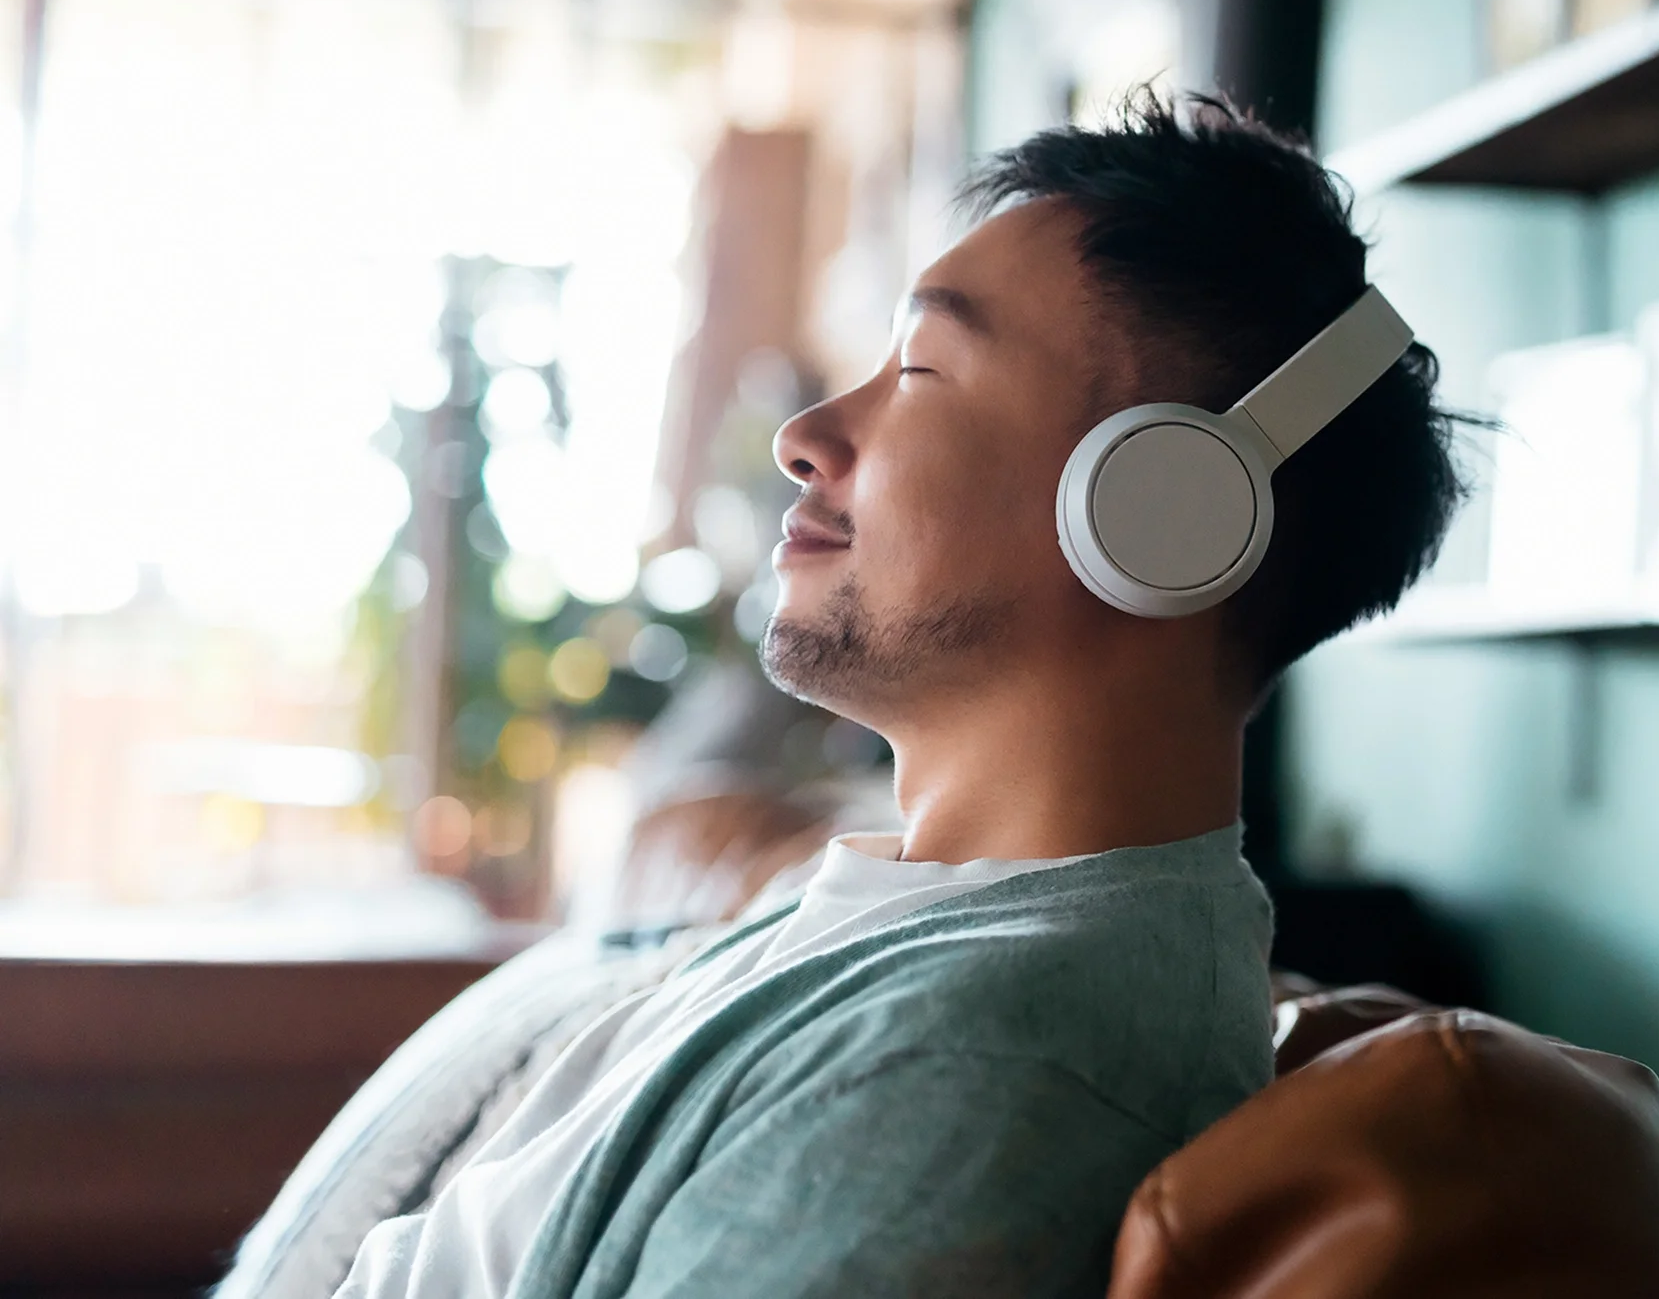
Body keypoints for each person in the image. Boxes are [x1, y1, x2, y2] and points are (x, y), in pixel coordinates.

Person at [334, 90, 1473, 1299]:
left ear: (1164, 506)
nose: (808, 435)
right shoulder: (893, 915)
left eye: (922, 367)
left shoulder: (986, 1057)